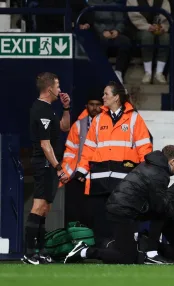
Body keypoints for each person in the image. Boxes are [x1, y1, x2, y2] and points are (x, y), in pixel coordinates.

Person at [64, 145, 174, 264]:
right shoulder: (159, 174)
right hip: (122, 211)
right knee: (126, 257)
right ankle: (85, 252)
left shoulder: (152, 165)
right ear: (172, 161)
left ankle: (149, 251)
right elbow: (160, 203)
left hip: (124, 208)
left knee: (159, 214)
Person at [74, 81, 153, 247]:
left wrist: (146, 174)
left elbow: (144, 148)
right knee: (100, 217)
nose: (103, 97)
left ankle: (120, 247)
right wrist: (81, 170)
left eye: (106, 94)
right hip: (100, 179)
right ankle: (103, 249)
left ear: (116, 97)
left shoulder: (134, 119)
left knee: (121, 216)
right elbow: (89, 147)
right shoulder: (98, 119)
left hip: (123, 179)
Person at [23, 72, 71, 264]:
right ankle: (28, 252)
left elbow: (64, 127)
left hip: (48, 164)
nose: (60, 90)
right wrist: (58, 167)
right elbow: (45, 145)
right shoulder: (40, 109)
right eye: (58, 86)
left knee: (45, 208)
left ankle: (41, 250)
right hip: (43, 163)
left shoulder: (50, 109)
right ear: (49, 88)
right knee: (38, 206)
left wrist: (66, 108)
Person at [61, 92, 102, 225]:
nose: (95, 108)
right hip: (79, 176)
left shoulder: (108, 125)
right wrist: (68, 173)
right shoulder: (78, 125)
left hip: (99, 176)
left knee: (95, 216)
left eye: (97, 105)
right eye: (92, 104)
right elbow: (70, 151)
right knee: (76, 215)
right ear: (86, 105)